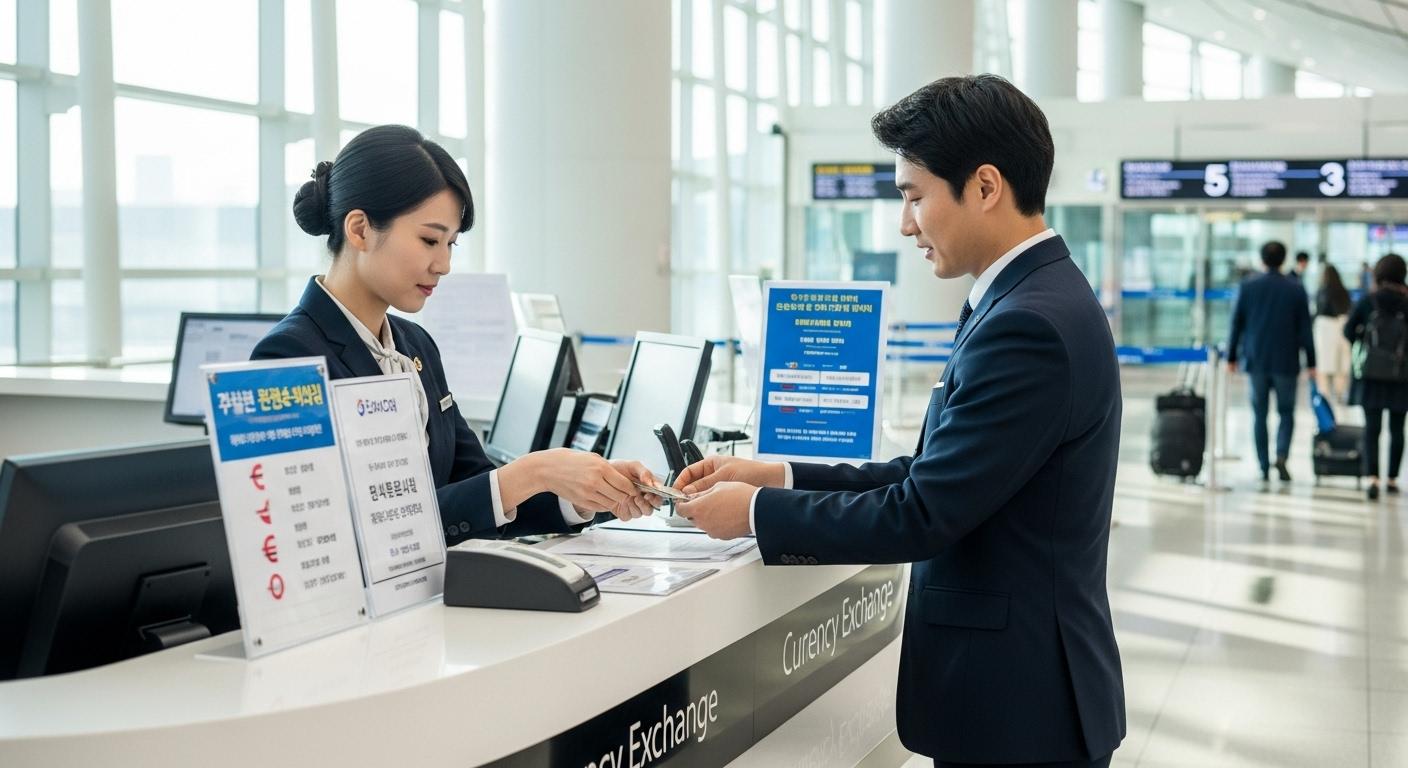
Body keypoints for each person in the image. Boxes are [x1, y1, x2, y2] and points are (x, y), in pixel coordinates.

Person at [674, 75, 1125, 768]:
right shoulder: (1029, 298)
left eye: (914, 196)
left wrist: (758, 513)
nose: (904, 223)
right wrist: (782, 473)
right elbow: (938, 473)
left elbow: (923, 514)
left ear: (984, 186)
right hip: (1022, 695)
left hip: (1019, 709)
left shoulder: (1028, 324)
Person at [252, 125, 659, 545]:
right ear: (359, 230)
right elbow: (336, 533)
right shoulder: (288, 356)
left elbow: (475, 486)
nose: (443, 264)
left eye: (451, 245)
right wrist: (534, 472)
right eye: (430, 240)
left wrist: (582, 492)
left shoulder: (415, 346)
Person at [1226, 241, 1316, 483]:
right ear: (1284, 259)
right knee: (1286, 412)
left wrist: (1231, 356)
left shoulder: (1247, 286)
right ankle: (1282, 454)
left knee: (1259, 414)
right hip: (1287, 360)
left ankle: (1264, 466)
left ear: (1262, 259)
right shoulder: (1296, 288)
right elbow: (1306, 328)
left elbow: (1236, 324)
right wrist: (1312, 362)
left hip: (1256, 360)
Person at [1344, 253, 1408, 500]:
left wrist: (1365, 343)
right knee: (1397, 428)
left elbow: (1349, 330)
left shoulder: (1368, 300)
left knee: (1372, 428)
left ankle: (1372, 477)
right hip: (1402, 375)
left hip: (1370, 374)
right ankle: (1392, 478)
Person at [1312, 263, 1353, 402]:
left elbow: (1318, 311)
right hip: (1341, 326)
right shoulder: (1344, 291)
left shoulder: (1321, 291)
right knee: (1340, 363)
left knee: (1323, 363)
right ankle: (1340, 393)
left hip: (1324, 328)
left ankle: (1324, 394)